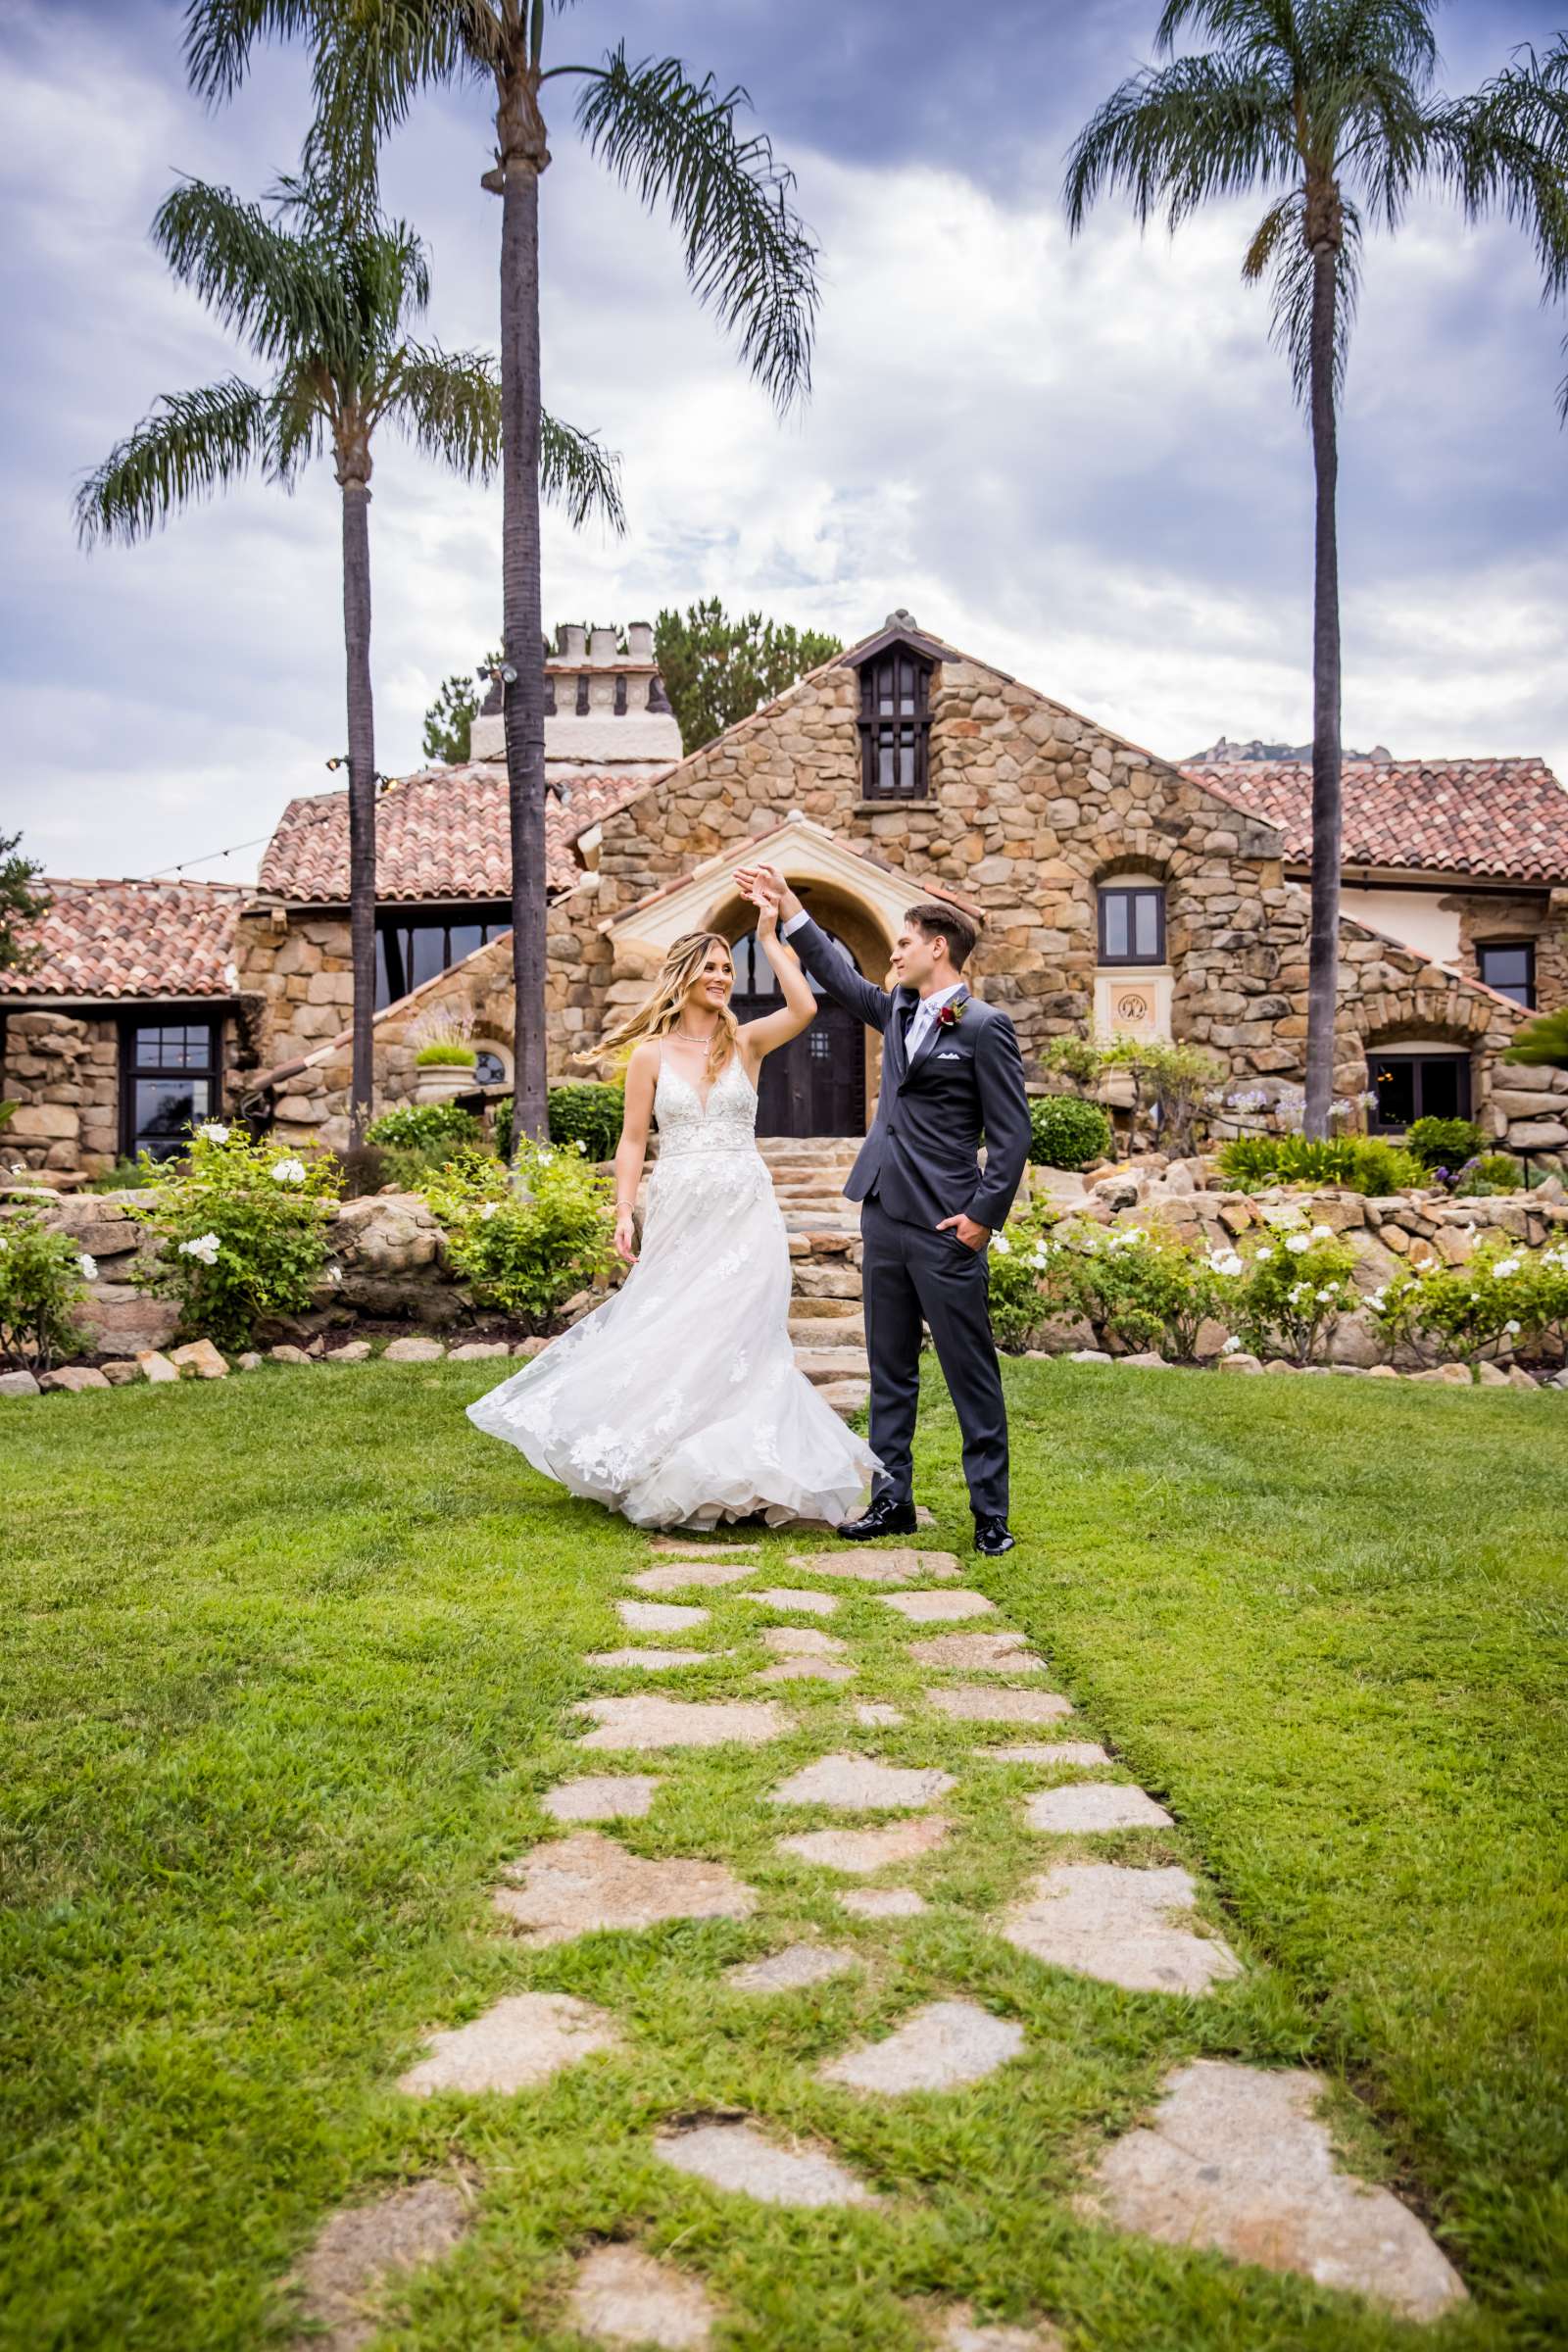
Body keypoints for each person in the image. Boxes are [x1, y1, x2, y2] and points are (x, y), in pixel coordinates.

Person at [465, 898, 878, 1530]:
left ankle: (747, 1473)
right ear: (683, 975)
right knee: (679, 1323)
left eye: (727, 968)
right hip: (682, 1204)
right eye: (711, 967)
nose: (721, 977)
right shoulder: (650, 1057)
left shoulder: (746, 1043)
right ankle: (670, 1458)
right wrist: (623, 1210)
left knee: (748, 1335)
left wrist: (768, 937)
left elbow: (805, 1008)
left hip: (746, 1206)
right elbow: (633, 1141)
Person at [733, 863, 1030, 1556]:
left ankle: (991, 1516)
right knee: (889, 1370)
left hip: (949, 1225)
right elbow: (837, 976)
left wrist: (982, 1218)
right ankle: (891, 1500)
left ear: (938, 948)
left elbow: (1013, 1135)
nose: (893, 952)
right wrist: (789, 907)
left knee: (970, 1375)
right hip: (884, 1214)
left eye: (903, 942)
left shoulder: (986, 1028)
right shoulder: (895, 1010)